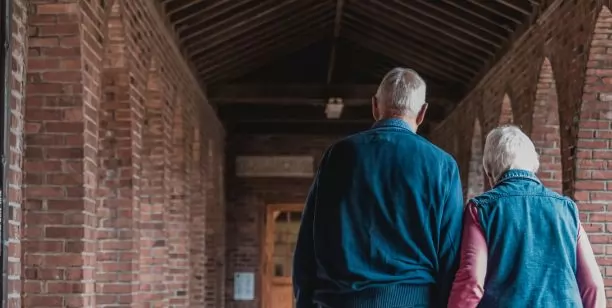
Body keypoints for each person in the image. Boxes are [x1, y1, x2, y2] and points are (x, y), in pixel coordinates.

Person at [292, 67, 464, 308]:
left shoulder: (339, 155)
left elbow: (309, 243)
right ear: (422, 113)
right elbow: (451, 255)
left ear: (375, 106)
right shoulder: (442, 165)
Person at [448, 125, 606, 308]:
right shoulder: (567, 209)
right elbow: (593, 286)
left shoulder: (482, 209)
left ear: (489, 169)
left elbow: (472, 282)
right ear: (533, 165)